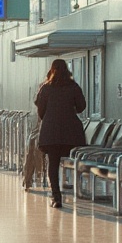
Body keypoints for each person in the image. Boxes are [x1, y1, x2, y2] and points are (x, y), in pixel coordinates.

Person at [35, 59, 87, 209]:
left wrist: (51, 117)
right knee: (74, 160)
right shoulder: (74, 87)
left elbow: (41, 111)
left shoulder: (45, 88)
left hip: (51, 133)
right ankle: (79, 191)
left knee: (53, 164)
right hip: (71, 132)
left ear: (52, 70)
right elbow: (81, 107)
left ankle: (56, 197)